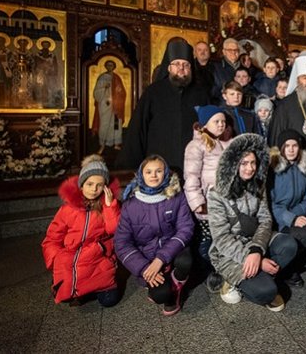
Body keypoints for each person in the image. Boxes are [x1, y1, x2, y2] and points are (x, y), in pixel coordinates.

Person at [207, 134, 298, 311]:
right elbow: (221, 238)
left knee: (289, 244)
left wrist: (256, 251)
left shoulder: (257, 185)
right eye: (244, 163)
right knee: (267, 292)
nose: (250, 168)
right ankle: (232, 280)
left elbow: (265, 220)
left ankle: (258, 273)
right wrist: (249, 257)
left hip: (256, 240)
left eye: (253, 163)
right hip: (229, 251)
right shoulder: (217, 194)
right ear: (233, 164)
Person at [115, 155, 194, 316]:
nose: (153, 175)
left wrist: (161, 258)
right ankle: (169, 287)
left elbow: (185, 228)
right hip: (147, 260)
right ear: (141, 175)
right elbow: (121, 243)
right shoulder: (130, 205)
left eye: (159, 171)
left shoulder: (176, 196)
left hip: (171, 252)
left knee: (186, 261)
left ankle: (177, 283)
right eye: (148, 171)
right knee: (161, 295)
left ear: (165, 174)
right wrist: (144, 267)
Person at [118, 39, 209, 172]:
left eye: (186, 65)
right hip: (159, 163)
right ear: (168, 67)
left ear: (191, 68)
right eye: (176, 64)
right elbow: (138, 129)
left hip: (193, 165)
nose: (181, 68)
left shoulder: (201, 94)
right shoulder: (153, 92)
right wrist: (129, 166)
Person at [41, 155, 121, 307]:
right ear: (81, 184)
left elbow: (114, 230)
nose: (94, 189)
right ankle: (78, 288)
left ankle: (87, 290)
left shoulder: (107, 206)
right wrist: (57, 260)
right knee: (65, 295)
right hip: (72, 260)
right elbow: (52, 238)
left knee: (110, 300)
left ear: (105, 187)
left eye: (99, 185)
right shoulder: (67, 209)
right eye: (90, 184)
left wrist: (111, 207)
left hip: (97, 259)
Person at [183, 105, 233, 291]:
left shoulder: (225, 142)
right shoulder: (196, 146)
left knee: (222, 238)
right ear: (204, 124)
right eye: (216, 121)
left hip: (224, 204)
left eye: (223, 121)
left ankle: (221, 269)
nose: (221, 125)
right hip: (207, 204)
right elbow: (191, 177)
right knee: (207, 240)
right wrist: (198, 203)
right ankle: (208, 272)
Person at [269, 129, 306, 287]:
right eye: (287, 146)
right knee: (305, 234)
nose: (291, 149)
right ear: (281, 148)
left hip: (299, 217)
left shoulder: (305, 166)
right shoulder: (273, 170)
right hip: (278, 222)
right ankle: (284, 270)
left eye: (294, 145)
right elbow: (270, 204)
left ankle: (295, 261)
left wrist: (297, 215)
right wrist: (291, 218)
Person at [268, 54, 306, 165]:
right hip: (291, 162)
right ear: (297, 80)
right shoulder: (285, 105)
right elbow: (276, 137)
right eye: (305, 78)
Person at [92, 60, 126, 154]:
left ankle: (116, 143)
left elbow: (122, 92)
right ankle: (102, 144)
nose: (110, 67)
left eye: (111, 65)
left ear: (114, 67)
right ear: (106, 66)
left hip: (116, 106)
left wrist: (119, 92)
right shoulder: (102, 77)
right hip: (105, 104)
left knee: (115, 124)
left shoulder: (117, 78)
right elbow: (96, 93)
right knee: (104, 124)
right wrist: (104, 88)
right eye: (108, 65)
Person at [210, 38, 241, 102]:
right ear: (224, 52)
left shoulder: (245, 67)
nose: (233, 52)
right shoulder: (214, 67)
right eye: (230, 50)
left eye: (236, 50)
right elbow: (211, 91)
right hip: (222, 105)